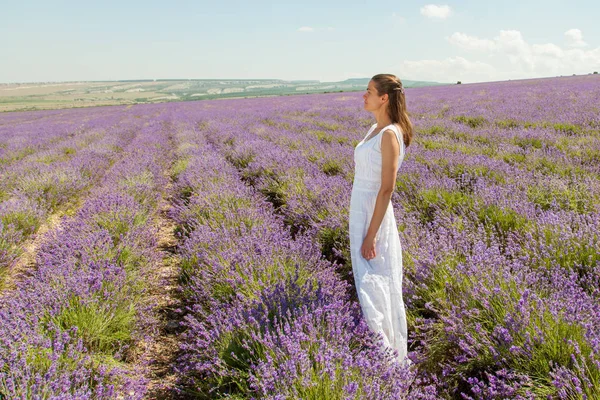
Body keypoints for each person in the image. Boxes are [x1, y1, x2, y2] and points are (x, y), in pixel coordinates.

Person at [349, 73, 413, 364]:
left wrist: (371, 235)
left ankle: (387, 359)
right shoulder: (376, 128)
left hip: (374, 216)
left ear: (384, 98)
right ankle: (380, 351)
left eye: (369, 91)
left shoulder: (389, 134)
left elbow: (387, 188)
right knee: (369, 281)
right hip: (361, 210)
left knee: (374, 283)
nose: (364, 96)